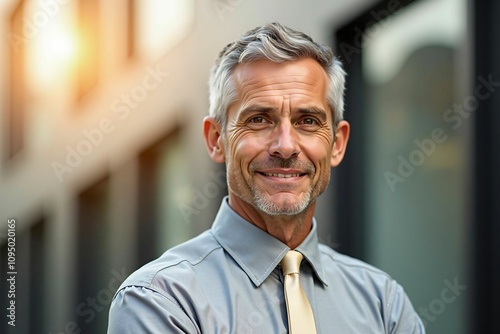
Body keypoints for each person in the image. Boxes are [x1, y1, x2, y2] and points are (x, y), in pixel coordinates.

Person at [107, 22, 425, 333]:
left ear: (337, 144)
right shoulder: (161, 301)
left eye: (308, 121)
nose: (285, 146)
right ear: (216, 139)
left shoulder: (385, 305)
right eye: (259, 119)